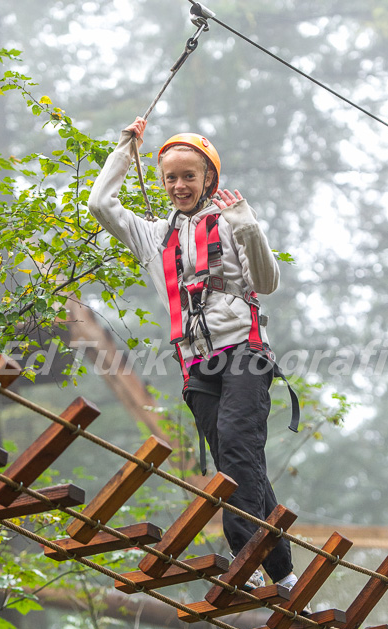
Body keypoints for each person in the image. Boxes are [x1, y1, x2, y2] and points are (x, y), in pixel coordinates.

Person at [88, 116, 298, 592]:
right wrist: (126, 148)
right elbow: (101, 202)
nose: (180, 185)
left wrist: (246, 225)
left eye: (189, 175)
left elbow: (265, 283)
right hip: (196, 363)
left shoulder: (231, 221)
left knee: (237, 448)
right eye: (171, 177)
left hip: (244, 353)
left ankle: (243, 558)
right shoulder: (153, 235)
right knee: (235, 463)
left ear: (209, 179)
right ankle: (283, 573)